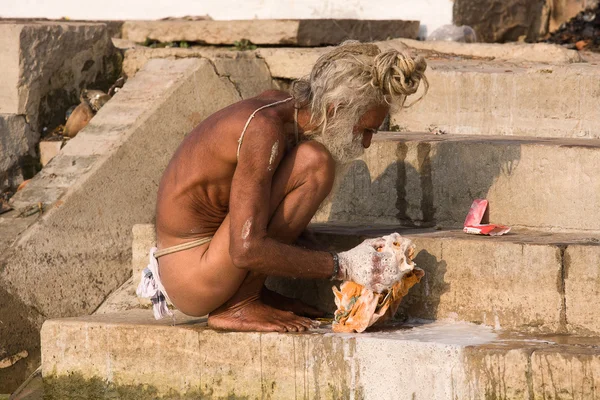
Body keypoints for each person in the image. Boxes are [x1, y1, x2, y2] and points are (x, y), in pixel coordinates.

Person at [138, 41, 429, 332]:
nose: (365, 144)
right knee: (314, 163)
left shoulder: (284, 110)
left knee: (312, 159)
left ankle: (252, 296)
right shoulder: (263, 129)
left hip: (205, 259)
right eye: (365, 130)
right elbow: (246, 249)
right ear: (335, 108)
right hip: (192, 274)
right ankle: (239, 305)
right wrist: (344, 265)